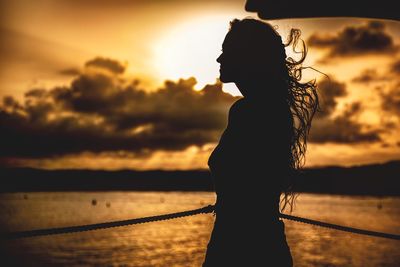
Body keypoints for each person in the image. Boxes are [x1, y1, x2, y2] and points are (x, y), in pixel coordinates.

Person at [203, 18, 319, 266]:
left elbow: (247, 190)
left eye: (227, 52)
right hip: (257, 242)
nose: (219, 60)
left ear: (248, 58)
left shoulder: (251, 111)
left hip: (241, 246)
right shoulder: (270, 109)